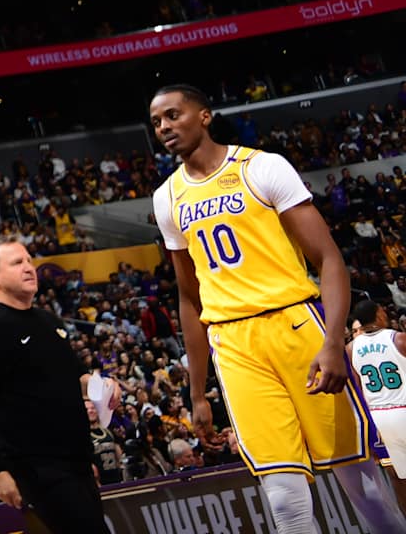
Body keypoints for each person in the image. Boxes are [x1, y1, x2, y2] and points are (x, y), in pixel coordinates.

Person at [149, 83, 406, 534]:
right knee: (284, 497)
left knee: (359, 481)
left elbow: (329, 259)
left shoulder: (261, 166)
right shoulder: (166, 197)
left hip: (297, 326)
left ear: (204, 116)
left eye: (173, 115)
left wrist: (333, 341)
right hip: (233, 343)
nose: (164, 127)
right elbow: (189, 299)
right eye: (156, 122)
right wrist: (197, 392)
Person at [0, 235, 109, 533]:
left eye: (29, 260)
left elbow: (77, 376)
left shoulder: (48, 321)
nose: (29, 267)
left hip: (77, 458)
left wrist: (103, 385)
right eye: (17, 263)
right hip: (38, 465)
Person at [351, 297, 406, 511]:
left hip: (378, 420)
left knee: (398, 479)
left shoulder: (350, 349)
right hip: (403, 408)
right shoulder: (399, 339)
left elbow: (357, 393)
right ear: (379, 315)